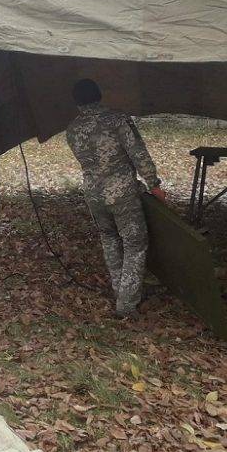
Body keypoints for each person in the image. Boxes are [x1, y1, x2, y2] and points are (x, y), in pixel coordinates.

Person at [64, 78, 165, 318]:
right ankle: (127, 304)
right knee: (135, 243)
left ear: (76, 101)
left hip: (92, 193)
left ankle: (120, 288)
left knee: (109, 239)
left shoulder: (72, 128)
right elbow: (137, 152)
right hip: (122, 194)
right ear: (99, 94)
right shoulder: (117, 119)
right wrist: (153, 183)